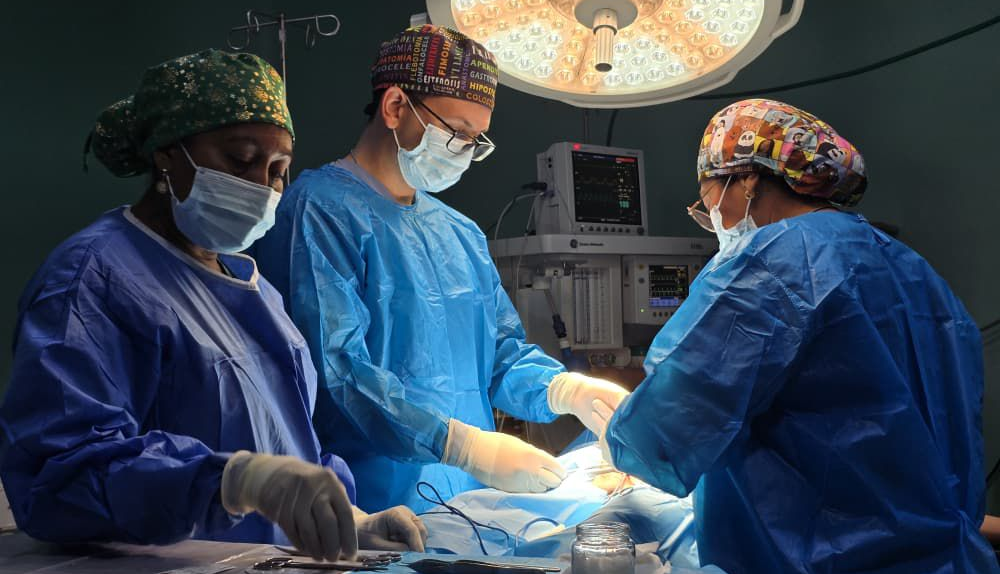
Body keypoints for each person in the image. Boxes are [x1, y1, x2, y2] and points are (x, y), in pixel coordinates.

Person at [0, 49, 426, 561]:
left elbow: (285, 445)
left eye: (277, 169)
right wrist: (231, 482)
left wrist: (348, 521)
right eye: (240, 160)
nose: (261, 185)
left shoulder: (254, 291)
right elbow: (61, 479)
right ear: (167, 155)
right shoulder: (91, 282)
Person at [598, 99, 1000, 573]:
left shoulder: (770, 265)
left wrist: (610, 430)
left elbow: (664, 432)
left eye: (708, 200)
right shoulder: (914, 271)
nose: (714, 219)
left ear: (745, 179)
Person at [251, 25, 629, 512]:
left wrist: (564, 390)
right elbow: (339, 374)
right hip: (372, 507)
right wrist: (461, 446)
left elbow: (500, 354)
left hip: (471, 503)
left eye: (476, 138)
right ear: (394, 107)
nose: (466, 150)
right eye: (457, 132)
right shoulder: (318, 212)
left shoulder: (460, 233)